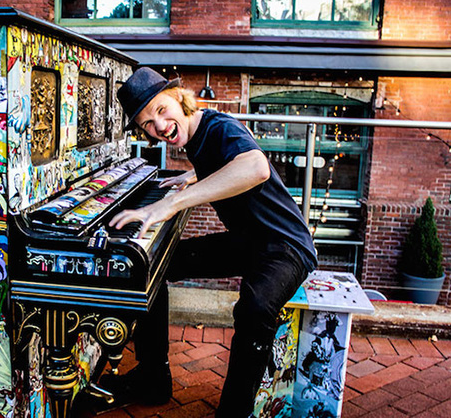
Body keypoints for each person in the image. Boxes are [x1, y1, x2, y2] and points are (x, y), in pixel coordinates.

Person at [107, 67, 317, 418]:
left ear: (177, 98)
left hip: (285, 246)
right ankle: (153, 377)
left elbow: (256, 168)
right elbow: (225, 160)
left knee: (254, 310)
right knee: (152, 268)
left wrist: (171, 203)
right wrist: (193, 175)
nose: (158, 126)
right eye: (146, 123)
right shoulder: (198, 136)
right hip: (249, 241)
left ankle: (234, 412)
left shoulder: (219, 127)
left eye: (161, 110)